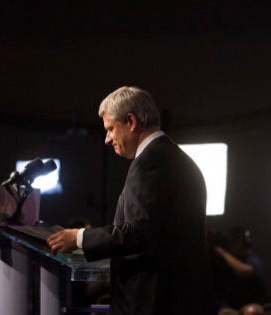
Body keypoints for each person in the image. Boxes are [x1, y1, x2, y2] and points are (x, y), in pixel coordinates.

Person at [47, 86, 216, 314]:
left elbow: (137, 233)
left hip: (156, 302)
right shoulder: (178, 158)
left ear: (131, 121)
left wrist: (79, 237)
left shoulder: (150, 161)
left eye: (110, 129)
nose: (107, 139)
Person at [210, 226, 266, 308]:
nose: (230, 244)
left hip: (252, 307)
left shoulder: (253, 259)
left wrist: (222, 252)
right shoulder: (232, 261)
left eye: (234, 241)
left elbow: (246, 271)